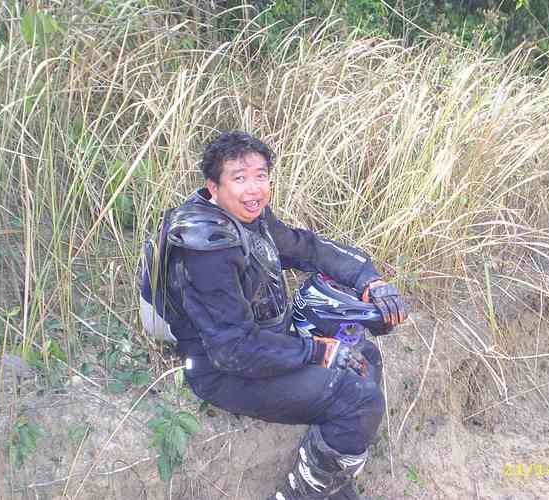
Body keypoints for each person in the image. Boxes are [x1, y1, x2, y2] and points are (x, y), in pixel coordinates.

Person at [140, 131, 406, 499]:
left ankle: (328, 480)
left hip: (263, 343)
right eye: (239, 177)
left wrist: (369, 279)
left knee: (365, 357)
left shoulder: (249, 217)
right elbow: (233, 350)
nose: (253, 189)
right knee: (358, 398)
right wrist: (319, 351)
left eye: (260, 176)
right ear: (213, 187)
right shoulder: (208, 250)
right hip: (221, 371)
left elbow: (306, 248)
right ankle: (301, 493)